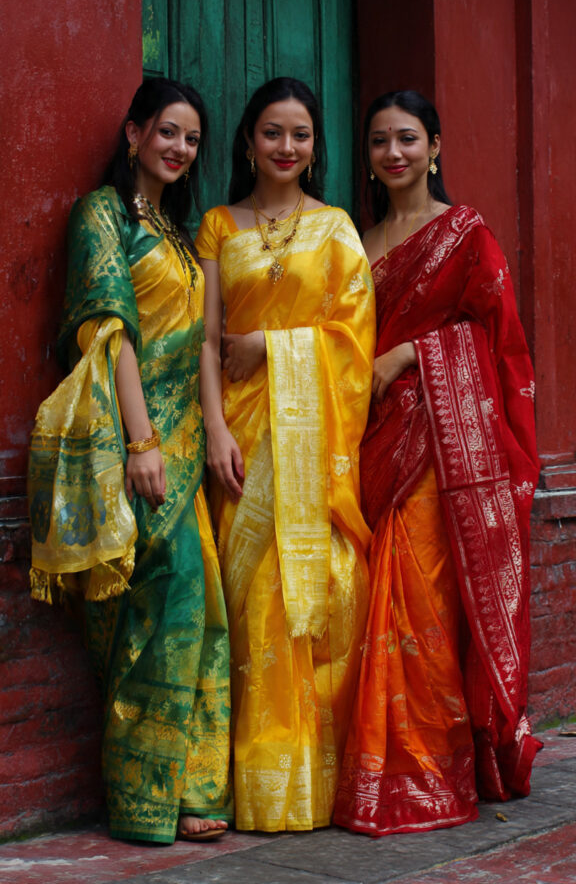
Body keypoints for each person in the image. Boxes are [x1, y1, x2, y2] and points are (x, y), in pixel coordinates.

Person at [28, 78, 231, 844]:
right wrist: (142, 443)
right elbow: (107, 330)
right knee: (163, 608)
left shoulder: (179, 234)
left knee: (200, 612)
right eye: (168, 133)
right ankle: (144, 797)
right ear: (133, 132)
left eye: (191, 140)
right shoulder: (102, 217)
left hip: (185, 455)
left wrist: (211, 434)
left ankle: (192, 785)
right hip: (133, 448)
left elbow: (204, 346)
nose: (179, 149)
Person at [333, 89, 541, 836]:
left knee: (419, 596)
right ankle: (370, 765)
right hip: (368, 442)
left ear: (436, 148)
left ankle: (428, 769)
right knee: (369, 601)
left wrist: (409, 354)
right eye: (381, 142)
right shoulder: (353, 241)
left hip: (439, 452)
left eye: (409, 140)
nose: (394, 154)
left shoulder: (465, 235)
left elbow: (504, 346)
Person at [195, 77, 376, 832]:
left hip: (313, 442)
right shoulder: (217, 225)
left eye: (300, 134)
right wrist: (213, 430)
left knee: (309, 597)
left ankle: (312, 785)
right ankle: (258, 785)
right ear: (247, 142)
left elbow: (354, 341)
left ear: (314, 147)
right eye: (273, 132)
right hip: (240, 435)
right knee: (247, 606)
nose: (286, 147)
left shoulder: (335, 227)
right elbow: (205, 341)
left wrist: (272, 344)